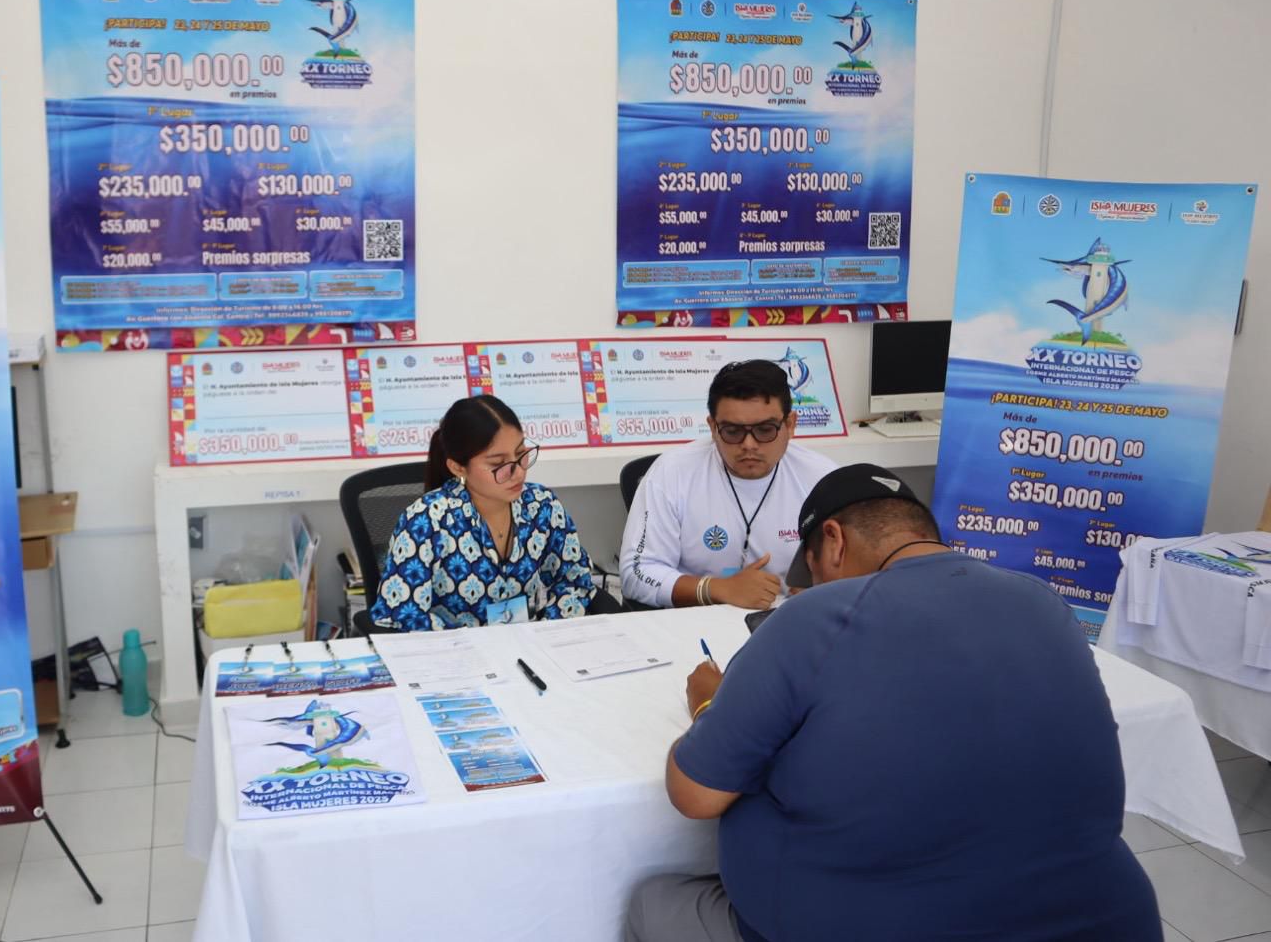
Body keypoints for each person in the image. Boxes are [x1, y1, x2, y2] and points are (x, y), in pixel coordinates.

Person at [626, 464, 1162, 942]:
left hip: (865, 921)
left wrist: (710, 706)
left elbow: (694, 793)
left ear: (833, 541)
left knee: (652, 903)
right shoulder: (1043, 602)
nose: (813, 589)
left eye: (813, 573)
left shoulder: (815, 619)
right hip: (1100, 920)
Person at [619, 359, 837, 611]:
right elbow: (636, 572)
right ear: (713, 427)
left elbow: (856, 568)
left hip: (792, 618)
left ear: (790, 425)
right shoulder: (671, 472)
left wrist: (824, 588)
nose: (749, 445)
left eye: (765, 430)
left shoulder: (823, 478)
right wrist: (715, 589)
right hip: (695, 619)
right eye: (733, 431)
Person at [369, 395, 598, 631]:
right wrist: (471, 642)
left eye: (521, 453)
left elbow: (575, 580)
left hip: (530, 643)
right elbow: (400, 615)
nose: (518, 472)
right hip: (456, 649)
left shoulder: (541, 506)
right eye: (498, 464)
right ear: (458, 467)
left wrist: (546, 630)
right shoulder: (427, 522)